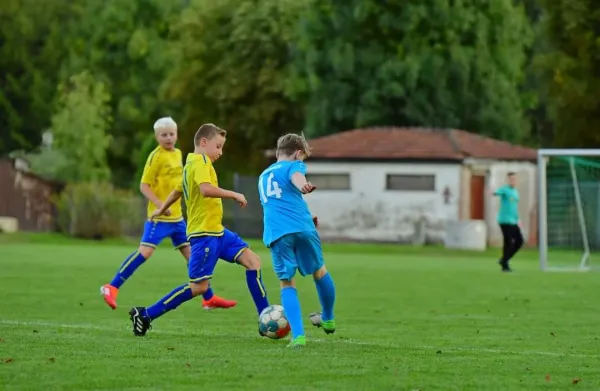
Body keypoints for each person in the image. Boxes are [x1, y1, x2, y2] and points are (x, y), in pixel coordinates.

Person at [128, 123, 270, 336]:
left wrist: (160, 209)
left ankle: (265, 319)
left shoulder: (190, 165)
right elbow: (205, 190)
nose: (220, 152)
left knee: (253, 262)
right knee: (199, 287)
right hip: (204, 235)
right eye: (218, 146)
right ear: (204, 142)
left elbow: (177, 191)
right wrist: (234, 194)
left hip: (218, 232)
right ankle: (146, 314)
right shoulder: (201, 161)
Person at [100, 117, 236, 311]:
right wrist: (159, 206)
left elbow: (181, 184)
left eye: (172, 134)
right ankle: (111, 286)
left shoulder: (179, 153)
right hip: (160, 218)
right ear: (157, 137)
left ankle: (209, 298)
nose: (168, 137)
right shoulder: (156, 157)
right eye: (164, 134)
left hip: (178, 219)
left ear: (176, 134)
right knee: (145, 251)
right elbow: (143, 186)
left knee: (192, 256)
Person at [258, 133, 336, 348]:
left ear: (277, 153)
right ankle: (328, 317)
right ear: (298, 154)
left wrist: (306, 211)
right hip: (302, 228)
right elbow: (297, 179)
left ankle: (299, 336)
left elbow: (280, 201)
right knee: (319, 271)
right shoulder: (295, 166)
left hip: (278, 233)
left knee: (287, 283)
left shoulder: (264, 175)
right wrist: (304, 186)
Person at [493, 172, 523, 272]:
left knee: (519, 241)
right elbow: (496, 192)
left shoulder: (515, 192)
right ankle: (505, 265)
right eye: (511, 179)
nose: (513, 181)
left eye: (514, 179)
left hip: (514, 221)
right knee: (508, 242)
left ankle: (504, 259)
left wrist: (518, 219)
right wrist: (494, 192)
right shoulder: (505, 189)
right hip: (504, 220)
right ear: (508, 180)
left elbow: (514, 208)